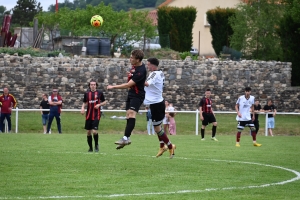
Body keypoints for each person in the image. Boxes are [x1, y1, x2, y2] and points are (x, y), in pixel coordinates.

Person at [107, 49, 147, 149]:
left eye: (132, 58)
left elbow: (128, 85)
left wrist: (113, 87)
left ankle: (125, 138)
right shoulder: (134, 67)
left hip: (138, 95)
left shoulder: (141, 71)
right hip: (131, 94)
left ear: (138, 60)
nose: (130, 59)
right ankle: (126, 139)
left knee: (131, 114)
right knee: (128, 115)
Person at [144, 57, 176, 158]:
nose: (147, 66)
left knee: (157, 128)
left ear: (153, 65)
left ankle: (170, 146)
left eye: (148, 64)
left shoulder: (154, 74)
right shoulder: (160, 73)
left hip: (157, 104)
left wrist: (136, 79)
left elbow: (147, 84)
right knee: (157, 127)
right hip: (155, 103)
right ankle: (162, 146)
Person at [81, 80, 107, 152]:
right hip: (88, 115)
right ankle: (90, 148)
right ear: (89, 85)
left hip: (96, 115)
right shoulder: (87, 93)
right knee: (88, 132)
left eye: (94, 84)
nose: (93, 85)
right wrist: (82, 108)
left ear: (96, 85)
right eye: (91, 84)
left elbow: (105, 101)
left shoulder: (99, 93)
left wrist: (99, 105)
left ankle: (96, 145)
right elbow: (84, 102)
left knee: (94, 131)